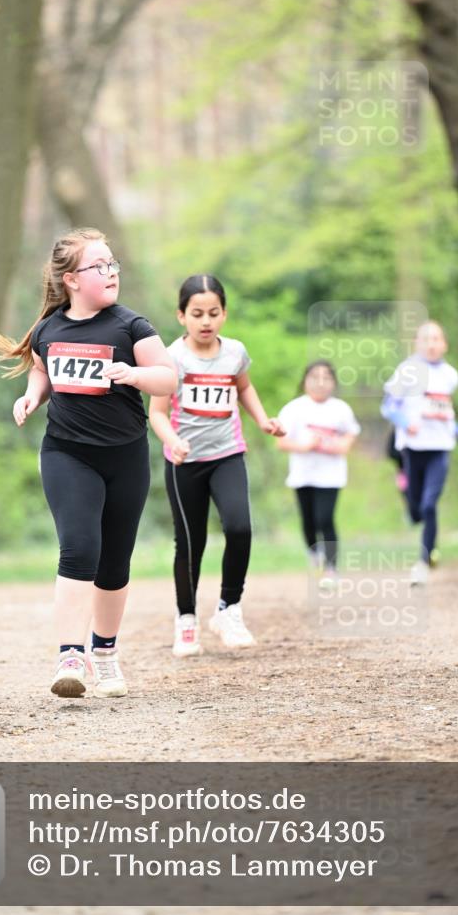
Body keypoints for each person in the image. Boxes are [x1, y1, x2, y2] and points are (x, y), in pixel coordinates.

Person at [0, 228, 177, 698]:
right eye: (99, 266)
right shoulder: (50, 329)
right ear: (71, 279)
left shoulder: (133, 327)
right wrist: (31, 397)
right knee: (79, 548)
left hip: (125, 457)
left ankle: (105, 653)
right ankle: (70, 655)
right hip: (67, 454)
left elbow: (169, 378)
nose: (110, 272)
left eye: (113, 264)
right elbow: (41, 368)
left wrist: (134, 373)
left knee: (114, 562)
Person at [149, 275, 284, 658]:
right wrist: (172, 440)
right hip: (184, 461)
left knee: (239, 527)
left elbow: (243, 387)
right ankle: (186, 620)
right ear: (181, 316)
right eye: (197, 314)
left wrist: (262, 419)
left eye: (213, 313)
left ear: (224, 314)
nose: (205, 321)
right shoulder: (172, 359)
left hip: (227, 453)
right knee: (191, 544)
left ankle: (228, 609)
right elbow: (156, 413)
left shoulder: (235, 352)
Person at [381, 320, 458, 585]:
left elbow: (444, 414)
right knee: (415, 508)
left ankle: (423, 560)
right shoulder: (407, 370)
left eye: (437, 339)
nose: (432, 344)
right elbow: (388, 407)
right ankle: (411, 506)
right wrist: (404, 423)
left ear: (444, 344)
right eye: (426, 339)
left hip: (441, 447)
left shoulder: (450, 375)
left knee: (430, 504)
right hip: (413, 447)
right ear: (417, 344)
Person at [276, 361, 360, 588]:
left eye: (326, 377)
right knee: (308, 521)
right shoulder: (294, 408)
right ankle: (315, 555)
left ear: (333, 383)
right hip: (303, 474)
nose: (320, 382)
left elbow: (350, 435)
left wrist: (338, 445)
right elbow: (281, 442)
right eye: (314, 377)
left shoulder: (340, 409)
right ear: (305, 381)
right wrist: (303, 446)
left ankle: (331, 567)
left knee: (325, 518)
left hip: (331, 475)